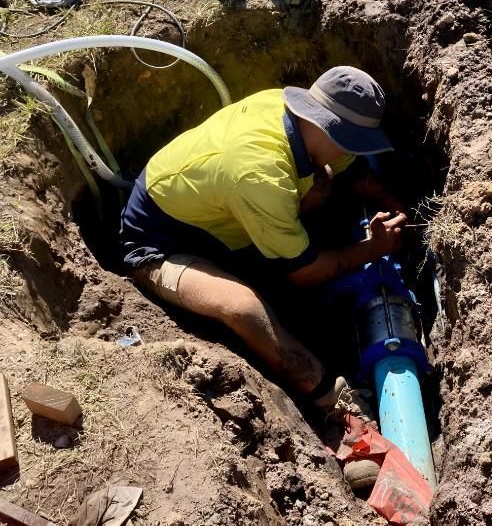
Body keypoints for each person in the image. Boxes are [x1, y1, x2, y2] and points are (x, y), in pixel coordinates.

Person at [120, 66, 407, 409]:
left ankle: (272, 245)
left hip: (213, 207)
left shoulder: (292, 113)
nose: (354, 153)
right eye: (353, 144)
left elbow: (351, 169)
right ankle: (330, 401)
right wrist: (373, 248)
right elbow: (305, 275)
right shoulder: (262, 177)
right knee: (242, 307)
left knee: (322, 183)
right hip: (158, 245)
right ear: (329, 129)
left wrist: (392, 200)